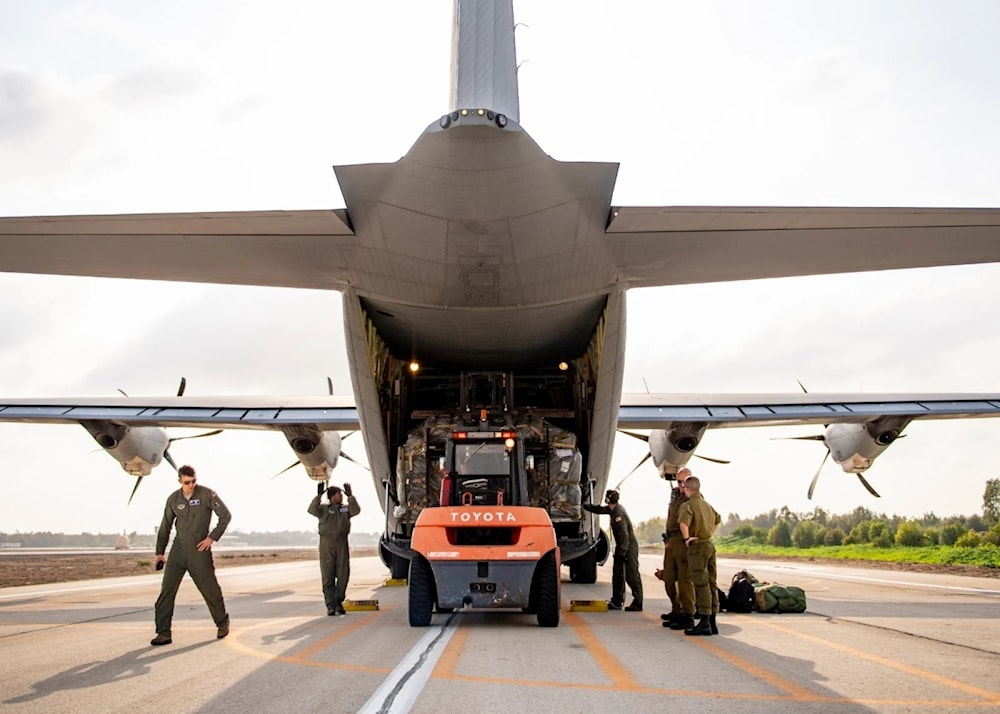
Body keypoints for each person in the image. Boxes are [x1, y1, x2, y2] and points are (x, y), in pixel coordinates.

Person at [151, 465, 231, 646]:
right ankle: (163, 632)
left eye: (194, 481)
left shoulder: (206, 494)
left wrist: (211, 538)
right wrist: (159, 553)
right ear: (180, 481)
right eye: (187, 482)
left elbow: (225, 516)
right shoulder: (173, 499)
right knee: (166, 591)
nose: (191, 485)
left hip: (199, 550)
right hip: (178, 550)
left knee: (210, 590)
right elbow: (165, 526)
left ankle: (222, 622)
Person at [582, 489, 643, 611]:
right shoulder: (613, 509)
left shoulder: (618, 513)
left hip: (627, 546)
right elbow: (600, 509)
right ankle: (617, 601)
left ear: (608, 499)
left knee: (631, 575)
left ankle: (638, 601)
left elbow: (624, 535)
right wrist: (585, 506)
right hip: (622, 546)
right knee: (618, 575)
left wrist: (623, 553)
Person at [677, 476, 722, 636]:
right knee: (711, 583)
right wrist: (709, 533)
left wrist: (687, 539)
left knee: (701, 584)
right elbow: (718, 519)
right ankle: (712, 622)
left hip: (698, 548)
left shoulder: (687, 505)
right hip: (709, 544)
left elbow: (683, 523)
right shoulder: (706, 505)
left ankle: (704, 623)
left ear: (688, 489)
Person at [308, 483, 361, 616]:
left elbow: (356, 511)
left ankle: (338, 601)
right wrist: (318, 496)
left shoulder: (345, 509)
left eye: (341, 494)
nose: (341, 496)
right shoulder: (323, 509)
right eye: (338, 494)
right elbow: (312, 510)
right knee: (328, 576)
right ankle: (331, 605)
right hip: (327, 543)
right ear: (332, 497)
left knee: (343, 575)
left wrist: (351, 497)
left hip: (342, 542)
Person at [658, 468, 696, 631]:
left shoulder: (692, 499)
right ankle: (676, 609)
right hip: (671, 540)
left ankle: (686, 614)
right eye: (679, 481)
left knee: (684, 580)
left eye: (684, 482)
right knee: (668, 577)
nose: (681, 485)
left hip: (682, 541)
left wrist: (689, 539)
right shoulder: (675, 496)